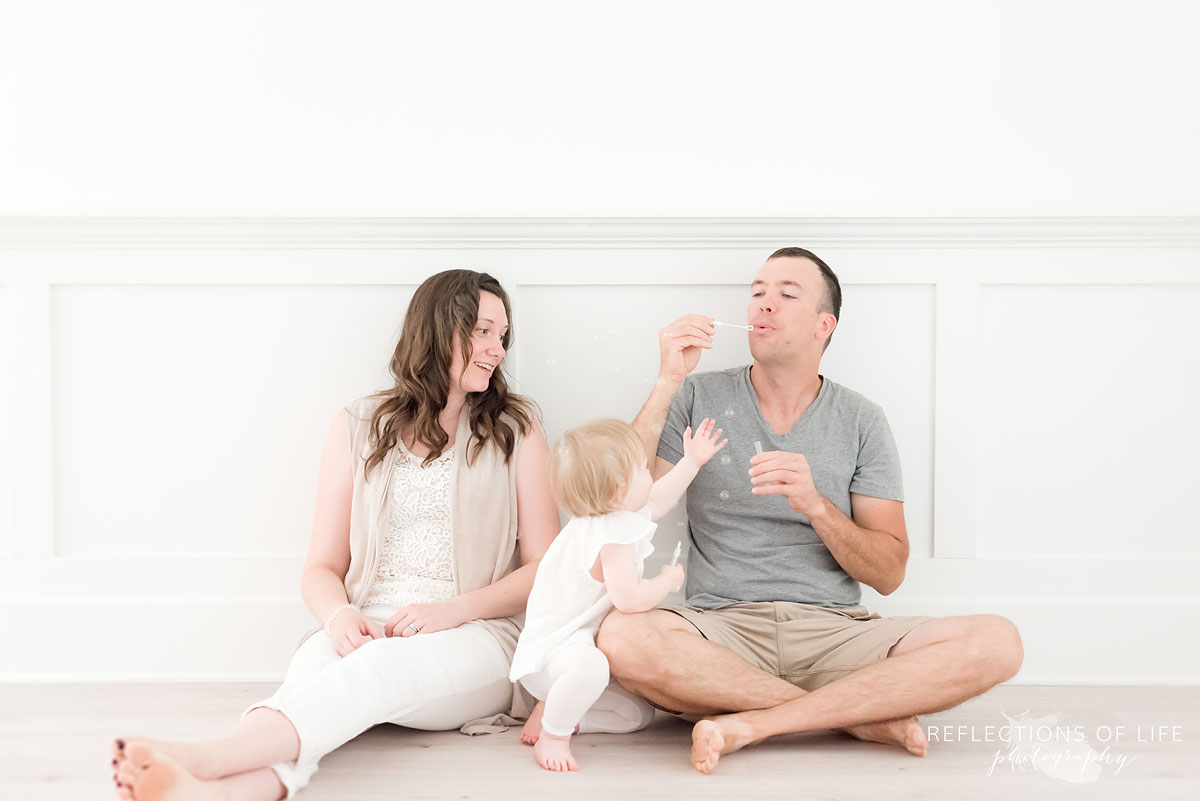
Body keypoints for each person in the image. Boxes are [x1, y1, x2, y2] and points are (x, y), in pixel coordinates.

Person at [109, 269, 561, 801]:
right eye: (483, 331)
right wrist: (339, 616)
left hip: (476, 637)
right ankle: (228, 794)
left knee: (374, 670)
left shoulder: (516, 428)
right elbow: (321, 566)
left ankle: (203, 758)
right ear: (441, 329)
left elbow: (545, 567)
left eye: (502, 336)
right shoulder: (360, 423)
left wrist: (453, 610)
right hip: (367, 622)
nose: (497, 349)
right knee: (308, 682)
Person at [597, 246, 1025, 774]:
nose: (764, 304)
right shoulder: (696, 394)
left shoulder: (862, 420)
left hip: (836, 632)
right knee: (621, 634)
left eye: (786, 294)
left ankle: (757, 719)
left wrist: (816, 506)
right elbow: (628, 503)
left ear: (825, 325)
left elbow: (889, 573)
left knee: (998, 641)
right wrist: (666, 380)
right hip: (722, 630)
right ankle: (852, 715)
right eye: (757, 292)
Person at [510, 417, 727, 771]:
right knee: (592, 668)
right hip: (556, 653)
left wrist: (692, 461)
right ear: (617, 490)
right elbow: (629, 599)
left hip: (566, 655)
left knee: (635, 715)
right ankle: (554, 736)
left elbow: (660, 498)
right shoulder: (612, 538)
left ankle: (557, 712)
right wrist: (667, 581)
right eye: (642, 469)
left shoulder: (611, 518)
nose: (649, 474)